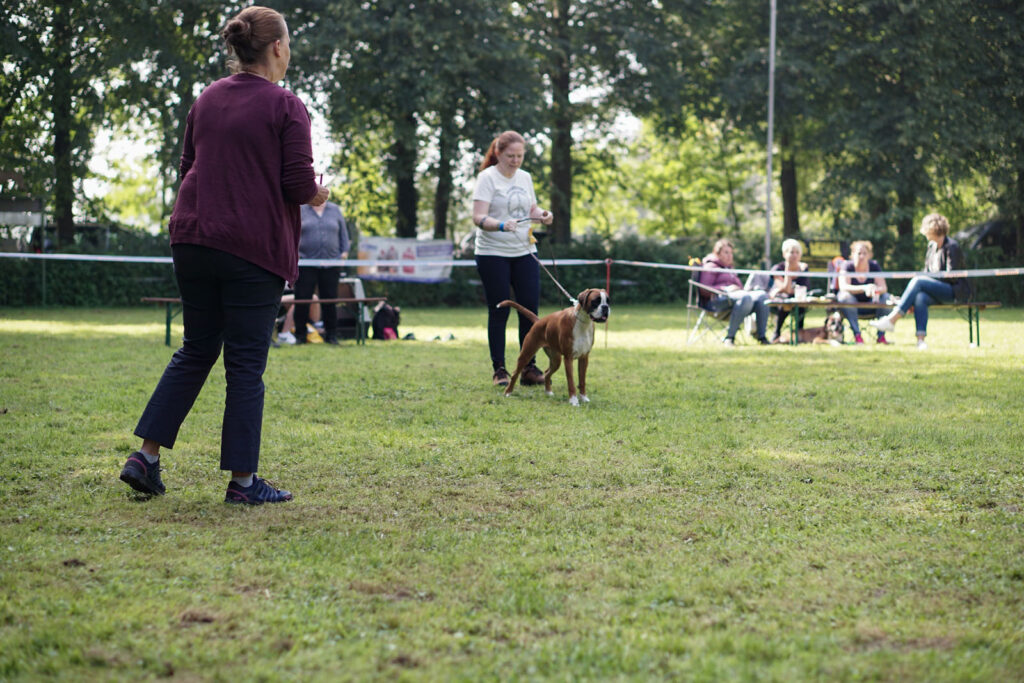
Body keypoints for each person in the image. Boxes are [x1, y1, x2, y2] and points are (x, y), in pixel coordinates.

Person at [119, 6, 329, 504]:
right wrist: (317, 195)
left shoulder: (207, 97)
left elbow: (189, 165)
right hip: (250, 247)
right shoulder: (286, 105)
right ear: (277, 47)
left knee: (196, 348)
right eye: (289, 42)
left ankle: (144, 458)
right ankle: (242, 483)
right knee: (245, 365)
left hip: (192, 236)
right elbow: (297, 183)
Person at [471, 130, 554, 386]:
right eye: (511, 156)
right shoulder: (487, 178)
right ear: (498, 153)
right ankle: (500, 370)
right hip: (492, 253)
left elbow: (530, 208)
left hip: (524, 251)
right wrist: (499, 225)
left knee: (530, 311)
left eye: (520, 156)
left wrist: (543, 214)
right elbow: (478, 217)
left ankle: (528, 367)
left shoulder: (525, 177)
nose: (516, 161)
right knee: (499, 310)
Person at [870, 213, 971, 350]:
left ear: (933, 229)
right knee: (920, 297)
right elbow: (926, 270)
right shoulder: (931, 247)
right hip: (936, 291)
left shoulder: (952, 247)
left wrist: (926, 279)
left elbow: (951, 276)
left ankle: (892, 319)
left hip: (953, 291)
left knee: (918, 281)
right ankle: (920, 340)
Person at [293, 201, 350, 344]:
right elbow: (292, 232)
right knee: (302, 299)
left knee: (330, 300)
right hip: (306, 263)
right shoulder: (301, 209)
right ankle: (300, 335)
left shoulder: (335, 209)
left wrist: (344, 254)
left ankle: (331, 335)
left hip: (331, 264)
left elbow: (344, 236)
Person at [698, 238, 770, 347]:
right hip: (715, 303)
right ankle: (729, 338)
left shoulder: (730, 269)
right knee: (745, 297)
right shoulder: (711, 266)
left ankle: (761, 337)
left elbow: (740, 288)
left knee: (761, 296)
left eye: (731, 253)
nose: (729, 256)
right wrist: (725, 289)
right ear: (717, 253)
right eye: (726, 252)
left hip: (737, 299)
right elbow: (704, 289)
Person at [837, 240, 891, 344]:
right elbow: (843, 287)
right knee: (845, 297)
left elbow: (884, 288)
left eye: (864, 253)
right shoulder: (847, 266)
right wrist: (864, 288)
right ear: (852, 254)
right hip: (851, 307)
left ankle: (881, 336)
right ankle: (857, 335)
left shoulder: (874, 266)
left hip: (871, 305)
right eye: (858, 253)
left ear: (870, 255)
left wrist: (874, 290)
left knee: (886, 297)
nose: (861, 256)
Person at [768, 238, 811, 343]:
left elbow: (803, 289)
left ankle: (799, 334)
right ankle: (776, 333)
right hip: (780, 300)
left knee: (800, 304)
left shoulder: (804, 269)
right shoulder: (777, 268)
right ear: (784, 254)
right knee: (785, 302)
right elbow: (786, 290)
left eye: (797, 252)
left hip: (798, 299)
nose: (794, 255)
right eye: (791, 252)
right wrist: (788, 271)